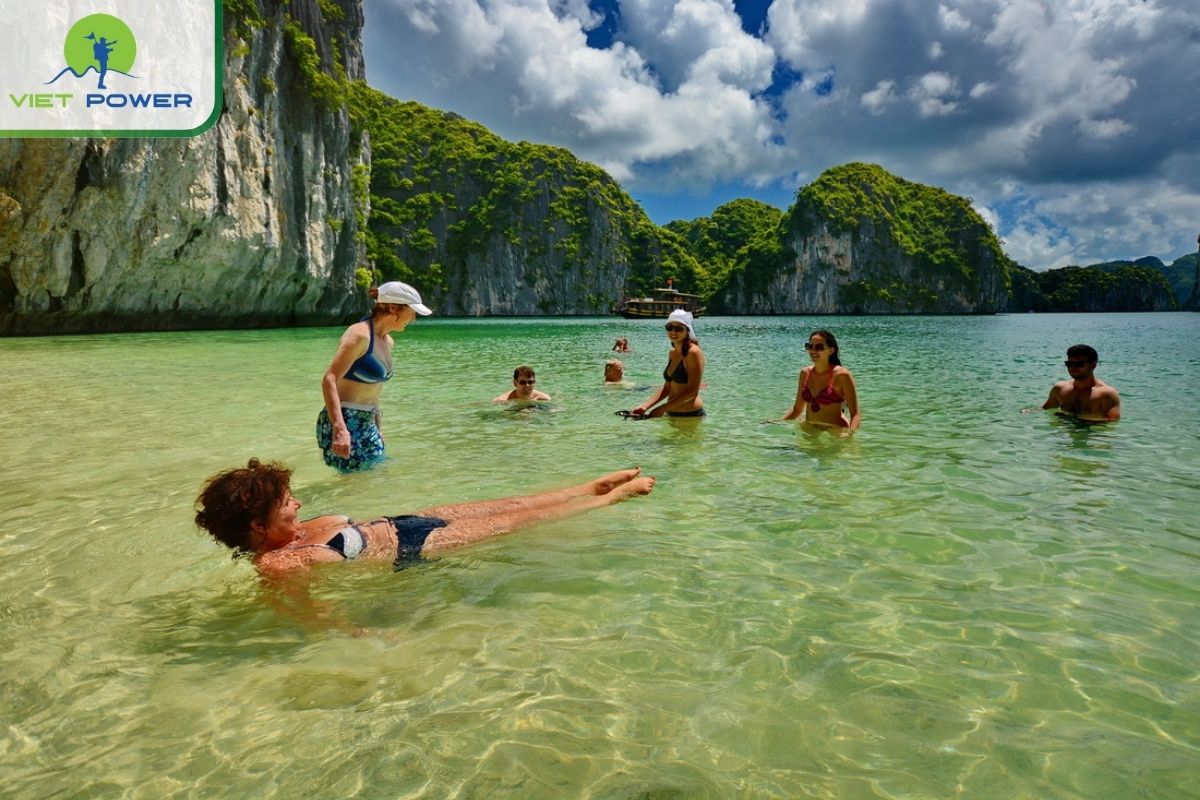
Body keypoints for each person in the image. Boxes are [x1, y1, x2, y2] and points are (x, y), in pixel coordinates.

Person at [195, 459, 655, 576]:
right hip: (414, 546)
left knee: (515, 504)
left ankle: (587, 487)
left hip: (406, 520)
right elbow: (310, 615)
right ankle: (611, 498)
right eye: (286, 503)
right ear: (257, 526)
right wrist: (358, 634)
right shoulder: (278, 563)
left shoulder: (288, 536)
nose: (297, 504)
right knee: (522, 523)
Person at [317, 281, 432, 472]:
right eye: (411, 312)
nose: (413, 319)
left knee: (377, 477)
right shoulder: (360, 334)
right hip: (346, 420)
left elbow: (374, 390)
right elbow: (329, 379)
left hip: (368, 422)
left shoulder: (388, 341)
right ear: (393, 308)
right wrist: (340, 428)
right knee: (354, 482)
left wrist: (378, 428)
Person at [630, 309, 705, 418]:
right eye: (669, 327)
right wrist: (645, 406)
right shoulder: (672, 353)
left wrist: (661, 409)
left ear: (688, 331)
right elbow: (667, 387)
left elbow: (692, 392)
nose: (673, 332)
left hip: (690, 416)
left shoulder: (693, 352)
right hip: (671, 414)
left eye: (679, 328)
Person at [782, 329, 860, 429]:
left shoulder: (842, 375)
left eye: (819, 347)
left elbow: (855, 414)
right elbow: (797, 409)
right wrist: (777, 423)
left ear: (831, 351)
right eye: (810, 346)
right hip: (810, 427)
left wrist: (850, 435)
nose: (813, 350)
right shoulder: (805, 373)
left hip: (835, 431)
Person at [1042, 344, 1121, 421]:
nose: (1073, 368)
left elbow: (1112, 420)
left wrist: (1073, 418)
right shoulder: (1059, 389)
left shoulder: (1106, 394)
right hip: (1065, 429)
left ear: (1093, 365)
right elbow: (1046, 409)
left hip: (1092, 430)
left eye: (1079, 364)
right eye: (1069, 364)